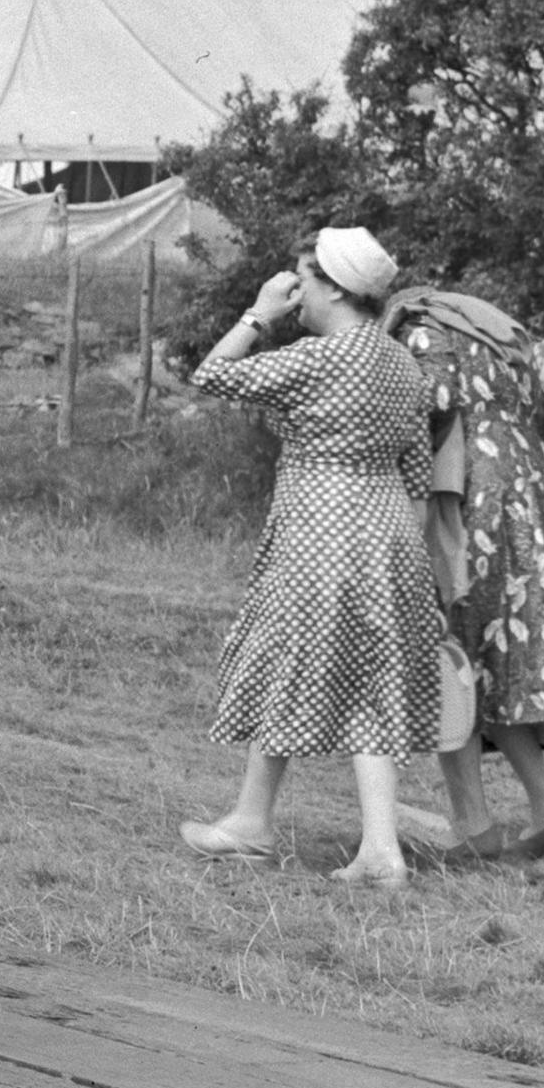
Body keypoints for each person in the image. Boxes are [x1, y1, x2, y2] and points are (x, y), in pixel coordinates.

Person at [180, 225, 454, 889]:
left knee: (299, 660)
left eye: (303, 277)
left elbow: (212, 375)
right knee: (362, 672)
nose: (295, 290)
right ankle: (269, 822)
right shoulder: (400, 364)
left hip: (321, 525)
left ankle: (355, 845)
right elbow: (417, 475)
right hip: (387, 529)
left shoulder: (321, 356)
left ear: (333, 285)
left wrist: (257, 315)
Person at [389, 282, 544, 861]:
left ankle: (473, 825)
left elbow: (433, 399)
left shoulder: (420, 328)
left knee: (457, 657)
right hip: (534, 494)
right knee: (499, 666)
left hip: (476, 496)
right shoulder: (497, 336)